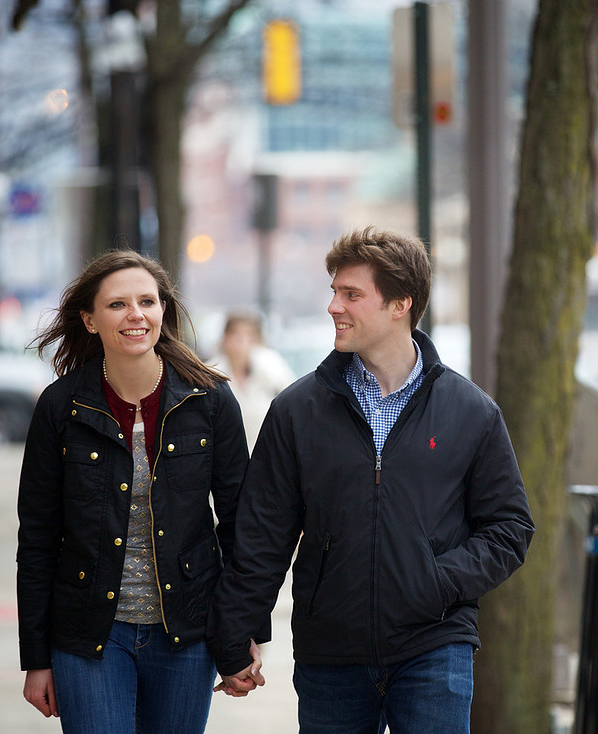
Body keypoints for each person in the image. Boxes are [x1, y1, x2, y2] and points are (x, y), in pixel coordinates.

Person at [207, 227, 535, 733]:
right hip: (331, 655)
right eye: (334, 292)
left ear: (401, 303)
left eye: (352, 294)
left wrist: (437, 581)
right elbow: (263, 534)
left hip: (434, 646)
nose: (334, 306)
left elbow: (510, 528)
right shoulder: (297, 411)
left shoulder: (471, 412)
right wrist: (236, 634)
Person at [16, 250, 252, 734]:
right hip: (88, 634)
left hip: (186, 632)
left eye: (147, 301)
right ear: (89, 319)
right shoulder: (61, 407)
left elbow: (239, 527)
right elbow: (38, 540)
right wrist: (36, 658)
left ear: (163, 310)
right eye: (117, 304)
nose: (135, 315)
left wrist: (242, 633)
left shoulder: (209, 401)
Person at [217, 312, 295, 451]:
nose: (242, 341)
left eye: (249, 336)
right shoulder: (213, 373)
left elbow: (293, 404)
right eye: (236, 334)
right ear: (225, 338)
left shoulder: (271, 367)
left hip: (268, 455)